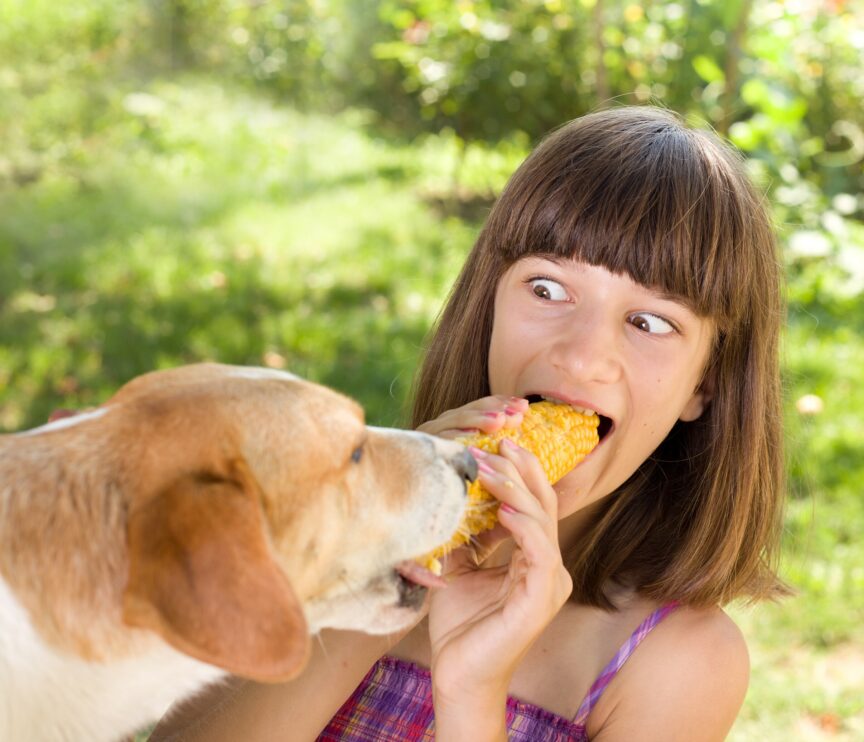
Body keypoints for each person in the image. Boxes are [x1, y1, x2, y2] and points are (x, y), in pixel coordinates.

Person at [150, 105, 786, 741]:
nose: (582, 355)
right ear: (490, 305)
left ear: (704, 385)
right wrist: (378, 574)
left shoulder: (675, 664)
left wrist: (474, 690)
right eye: (547, 288)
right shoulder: (320, 532)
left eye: (649, 322)